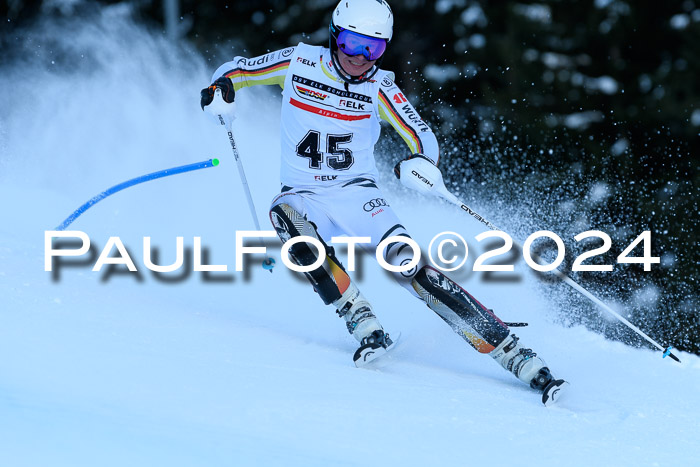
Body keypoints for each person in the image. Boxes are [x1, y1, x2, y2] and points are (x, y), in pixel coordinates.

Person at [201, 0, 566, 405]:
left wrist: (423, 161)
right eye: (355, 43)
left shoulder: (380, 86)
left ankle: (513, 352)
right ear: (336, 36)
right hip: (304, 194)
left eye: (373, 48)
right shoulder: (298, 61)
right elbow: (237, 70)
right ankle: (359, 317)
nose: (360, 58)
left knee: (408, 265)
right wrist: (221, 90)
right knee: (283, 214)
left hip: (358, 196)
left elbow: (420, 132)